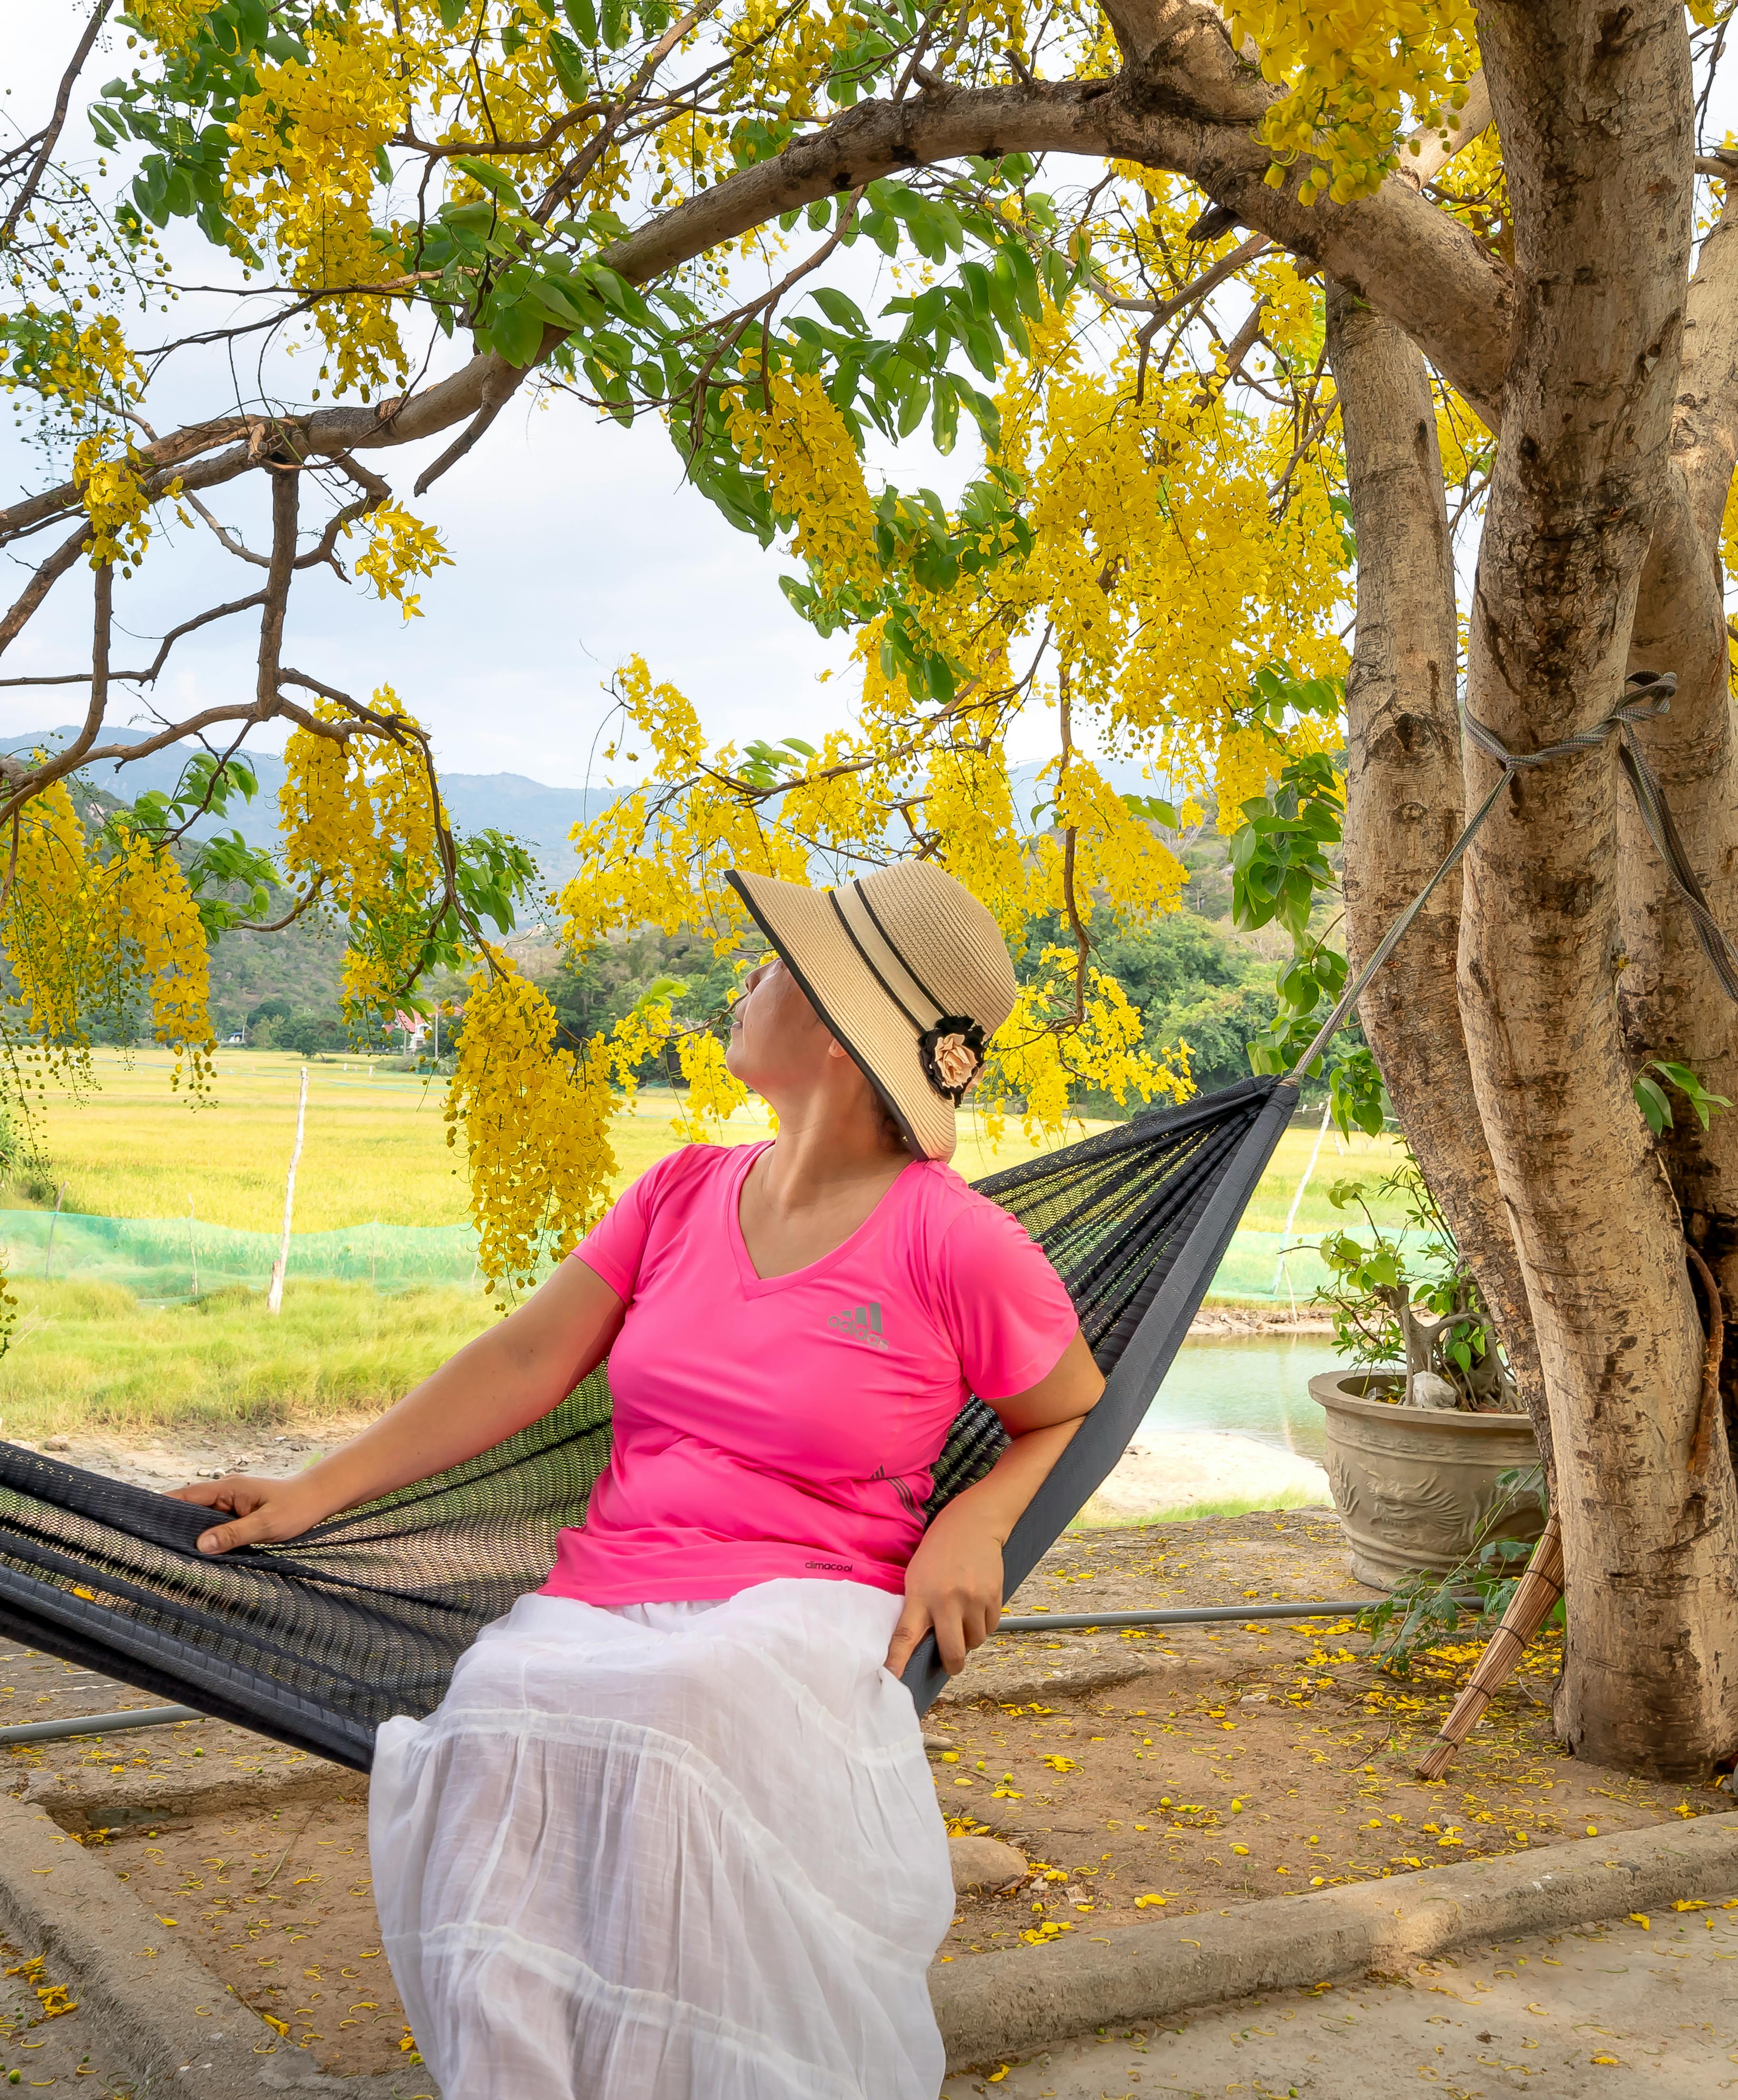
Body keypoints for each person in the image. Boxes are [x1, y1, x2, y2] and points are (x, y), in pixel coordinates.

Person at [174, 859, 1101, 2097]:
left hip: (797, 1610)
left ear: (832, 1028)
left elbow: (1071, 1408)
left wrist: (973, 1522)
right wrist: (315, 1488)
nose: (745, 978)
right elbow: (520, 1358)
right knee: (493, 1713)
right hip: (601, 1597)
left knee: (679, 1708)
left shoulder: (957, 1241)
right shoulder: (679, 1191)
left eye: (772, 964)